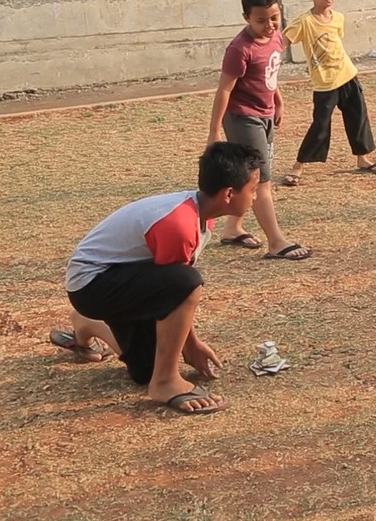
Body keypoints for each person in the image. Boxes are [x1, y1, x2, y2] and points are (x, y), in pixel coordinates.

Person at [53, 142, 262, 414]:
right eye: (253, 190)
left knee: (144, 371)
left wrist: (190, 345)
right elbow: (176, 290)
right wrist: (190, 345)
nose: (255, 197)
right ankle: (165, 383)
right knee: (187, 282)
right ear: (229, 194)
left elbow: (167, 292)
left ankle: (89, 325)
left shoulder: (200, 214)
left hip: (118, 279)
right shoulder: (179, 224)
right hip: (94, 285)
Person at [207, 0, 311, 261]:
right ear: (246, 18)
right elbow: (225, 89)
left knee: (247, 180)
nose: (270, 25)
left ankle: (232, 229)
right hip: (243, 118)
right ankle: (276, 242)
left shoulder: (277, 37)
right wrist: (214, 131)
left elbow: (270, 74)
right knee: (261, 181)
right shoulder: (240, 49)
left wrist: (277, 100)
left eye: (275, 17)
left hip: (264, 115)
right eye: (261, 20)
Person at [281, 0, 376, 184]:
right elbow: (282, 43)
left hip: (348, 76)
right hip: (325, 84)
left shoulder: (338, 18)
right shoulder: (304, 22)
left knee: (358, 118)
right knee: (320, 125)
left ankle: (362, 159)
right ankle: (298, 167)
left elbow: (337, 42)